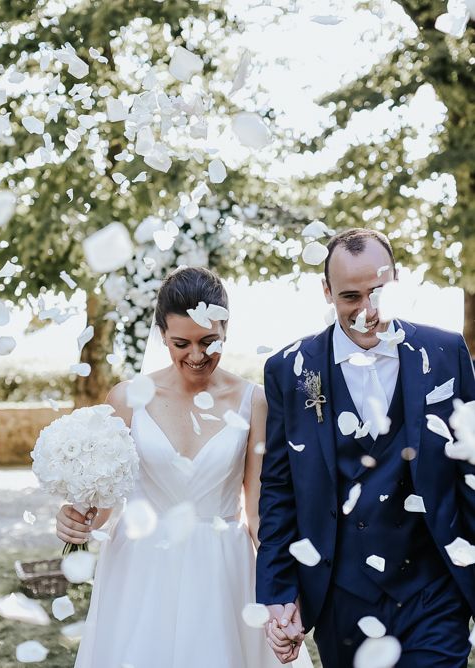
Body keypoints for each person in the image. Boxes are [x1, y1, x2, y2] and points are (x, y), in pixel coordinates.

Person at [55, 267, 312, 668]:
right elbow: (103, 503)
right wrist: (77, 518)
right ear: (162, 336)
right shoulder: (127, 398)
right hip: (139, 566)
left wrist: (284, 591)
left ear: (226, 329)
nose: (196, 356)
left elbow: (259, 512)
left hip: (222, 569)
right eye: (181, 343)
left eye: (210, 341)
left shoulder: (254, 402)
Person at [257, 228, 475, 666]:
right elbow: (279, 491)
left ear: (395, 280)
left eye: (378, 292)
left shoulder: (447, 351)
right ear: (327, 292)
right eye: (350, 297)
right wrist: (278, 594)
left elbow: (471, 471)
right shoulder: (289, 371)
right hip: (343, 597)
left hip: (434, 591)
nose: (367, 312)